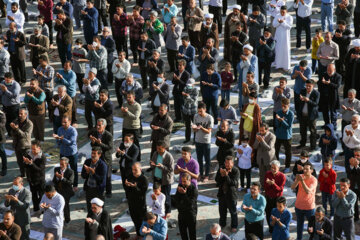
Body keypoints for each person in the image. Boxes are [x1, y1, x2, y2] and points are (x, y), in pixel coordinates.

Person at [291, 162, 318, 240]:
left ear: (311, 170)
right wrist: (297, 181)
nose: (305, 170)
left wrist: (302, 181)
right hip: (299, 206)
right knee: (299, 226)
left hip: (309, 207)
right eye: (304, 168)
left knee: (311, 226)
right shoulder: (300, 176)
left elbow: (308, 191)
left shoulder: (314, 180)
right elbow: (292, 187)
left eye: (307, 169)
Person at [89, 119, 113, 197]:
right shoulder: (95, 133)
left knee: (107, 176)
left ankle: (108, 191)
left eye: (100, 125)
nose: (98, 127)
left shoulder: (108, 135)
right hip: (97, 158)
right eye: (97, 125)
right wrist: (93, 142)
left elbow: (109, 147)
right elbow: (94, 146)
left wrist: (100, 143)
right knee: (97, 173)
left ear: (104, 126)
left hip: (106, 158)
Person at [215, 156, 240, 233]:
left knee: (233, 212)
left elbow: (234, 183)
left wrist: (226, 176)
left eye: (229, 163)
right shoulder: (221, 168)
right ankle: (222, 224)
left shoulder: (235, 171)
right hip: (222, 193)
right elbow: (216, 180)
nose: (227, 165)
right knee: (222, 211)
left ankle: (234, 225)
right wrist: (222, 176)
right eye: (226, 163)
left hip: (231, 194)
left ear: (232, 163)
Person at [54, 116, 78, 190]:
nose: (63, 124)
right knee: (63, 168)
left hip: (71, 153)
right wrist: (58, 140)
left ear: (69, 122)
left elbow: (70, 142)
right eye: (62, 122)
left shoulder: (73, 131)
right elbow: (58, 141)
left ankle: (75, 184)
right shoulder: (60, 129)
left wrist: (61, 138)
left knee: (74, 170)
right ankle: (65, 183)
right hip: (63, 152)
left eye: (65, 122)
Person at [150, 141, 174, 217]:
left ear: (164, 148)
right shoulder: (155, 154)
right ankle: (157, 208)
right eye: (157, 148)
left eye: (160, 149)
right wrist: (152, 164)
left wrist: (162, 167)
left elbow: (171, 169)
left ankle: (168, 210)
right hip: (157, 178)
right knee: (157, 194)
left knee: (166, 196)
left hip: (165, 180)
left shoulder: (168, 156)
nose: (158, 150)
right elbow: (152, 162)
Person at [23, 140, 46, 218]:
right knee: (34, 195)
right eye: (31, 149)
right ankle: (36, 209)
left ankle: (43, 211)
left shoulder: (42, 157)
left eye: (34, 149)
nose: (32, 151)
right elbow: (25, 167)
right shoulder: (28, 154)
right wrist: (26, 162)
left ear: (39, 148)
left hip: (40, 180)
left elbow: (39, 169)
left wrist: (31, 164)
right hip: (31, 179)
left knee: (41, 195)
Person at [81, 147, 107, 212]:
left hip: (98, 190)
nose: (92, 155)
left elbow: (101, 180)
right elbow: (83, 175)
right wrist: (87, 172)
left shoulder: (102, 165)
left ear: (99, 155)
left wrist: (93, 173)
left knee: (98, 209)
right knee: (89, 207)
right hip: (89, 188)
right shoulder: (87, 162)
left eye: (94, 154)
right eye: (92, 153)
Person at [173, 173, 198, 239]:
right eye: (182, 181)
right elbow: (176, 199)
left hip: (190, 214)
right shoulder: (180, 186)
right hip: (181, 214)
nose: (183, 183)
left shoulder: (193, 189)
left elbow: (190, 203)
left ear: (189, 180)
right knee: (183, 233)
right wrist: (179, 193)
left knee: (192, 233)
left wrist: (184, 194)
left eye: (184, 181)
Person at [127, 163, 149, 238]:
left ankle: (143, 235)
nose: (133, 171)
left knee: (141, 221)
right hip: (131, 203)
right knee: (134, 220)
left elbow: (142, 193)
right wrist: (127, 185)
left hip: (140, 204)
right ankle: (138, 233)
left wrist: (135, 187)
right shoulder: (130, 176)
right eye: (132, 169)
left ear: (140, 169)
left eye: (135, 170)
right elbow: (128, 190)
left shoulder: (144, 179)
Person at [193, 102, 214, 182]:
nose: (199, 113)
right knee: (199, 159)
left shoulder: (209, 118)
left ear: (205, 110)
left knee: (207, 159)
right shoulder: (196, 116)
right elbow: (194, 129)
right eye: (198, 111)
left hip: (206, 141)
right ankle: (200, 174)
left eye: (201, 111)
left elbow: (209, 131)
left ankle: (207, 175)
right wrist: (194, 128)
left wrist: (201, 128)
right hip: (198, 140)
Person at [264, 160, 286, 234]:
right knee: (268, 213)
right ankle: (271, 228)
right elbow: (265, 186)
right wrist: (269, 184)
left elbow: (280, 189)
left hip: (277, 199)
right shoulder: (268, 174)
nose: (273, 169)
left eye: (275, 168)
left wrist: (273, 184)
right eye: (272, 167)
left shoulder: (282, 176)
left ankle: (278, 228)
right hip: (269, 198)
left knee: (278, 214)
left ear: (278, 168)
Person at [298, 79, 320, 150]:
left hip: (311, 116)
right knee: (302, 131)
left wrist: (308, 101)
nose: (307, 87)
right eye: (306, 86)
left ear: (313, 86)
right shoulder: (302, 91)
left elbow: (315, 104)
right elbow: (298, 102)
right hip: (303, 115)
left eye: (309, 86)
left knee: (312, 132)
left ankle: (313, 146)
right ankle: (302, 143)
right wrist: (301, 99)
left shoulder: (316, 93)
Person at [120, 91, 142, 161]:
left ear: (134, 97)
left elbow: (135, 117)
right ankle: (124, 156)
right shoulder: (125, 104)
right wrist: (123, 112)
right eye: (127, 97)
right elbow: (122, 115)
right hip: (126, 126)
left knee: (135, 144)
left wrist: (127, 112)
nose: (128, 99)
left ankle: (137, 159)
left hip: (134, 128)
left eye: (130, 97)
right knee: (125, 143)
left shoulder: (137, 106)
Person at [116, 133, 139, 198]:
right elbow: (117, 156)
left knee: (130, 183)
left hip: (130, 169)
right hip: (122, 167)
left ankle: (131, 196)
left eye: (127, 140)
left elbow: (132, 159)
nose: (125, 142)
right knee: (124, 183)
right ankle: (127, 196)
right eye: (124, 140)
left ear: (132, 141)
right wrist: (118, 152)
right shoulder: (122, 145)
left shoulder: (135, 148)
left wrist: (124, 154)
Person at [11, 108, 33, 177]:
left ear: (26, 115)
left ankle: (29, 175)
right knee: (20, 162)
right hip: (17, 145)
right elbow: (11, 133)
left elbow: (25, 135)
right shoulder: (16, 121)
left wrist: (16, 129)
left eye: (21, 114)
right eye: (19, 114)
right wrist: (14, 129)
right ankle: (23, 174)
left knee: (26, 162)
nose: (19, 115)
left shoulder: (29, 124)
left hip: (25, 146)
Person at [52, 157, 74, 225]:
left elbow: (70, 182)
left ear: (67, 164)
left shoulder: (70, 172)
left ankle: (67, 219)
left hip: (66, 191)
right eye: (60, 164)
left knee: (65, 206)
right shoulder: (56, 169)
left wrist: (62, 178)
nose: (61, 166)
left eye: (63, 164)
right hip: (58, 190)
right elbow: (54, 181)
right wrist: (57, 178)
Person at [54, 61, 77, 125]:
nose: (64, 67)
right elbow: (55, 81)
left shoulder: (73, 74)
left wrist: (62, 78)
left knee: (72, 107)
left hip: (70, 93)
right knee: (62, 106)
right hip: (63, 93)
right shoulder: (61, 71)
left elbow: (69, 84)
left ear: (70, 67)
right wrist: (58, 78)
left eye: (66, 66)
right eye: (64, 65)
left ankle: (74, 121)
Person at [274, 98, 294, 173]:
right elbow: (276, 124)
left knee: (288, 152)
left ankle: (287, 166)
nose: (283, 107)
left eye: (285, 106)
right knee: (276, 151)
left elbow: (289, 126)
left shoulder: (291, 114)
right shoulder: (279, 112)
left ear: (288, 105)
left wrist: (282, 121)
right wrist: (279, 121)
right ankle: (276, 165)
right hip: (279, 135)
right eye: (282, 105)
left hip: (287, 136)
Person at [272, 6, 293, 72]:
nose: (282, 13)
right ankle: (278, 65)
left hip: (285, 37)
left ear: (286, 11)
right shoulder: (277, 15)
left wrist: (283, 22)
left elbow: (289, 27)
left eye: (283, 12)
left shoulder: (289, 17)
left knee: (285, 50)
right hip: (278, 36)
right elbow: (274, 25)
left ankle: (286, 66)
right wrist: (279, 22)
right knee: (278, 50)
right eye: (281, 12)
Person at [0, 72, 20, 137]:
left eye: (8, 80)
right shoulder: (2, 83)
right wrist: (3, 91)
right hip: (5, 106)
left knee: (14, 121)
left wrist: (5, 90)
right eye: (5, 79)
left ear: (12, 79)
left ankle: (15, 134)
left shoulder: (16, 85)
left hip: (14, 106)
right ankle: (10, 134)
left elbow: (13, 96)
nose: (6, 81)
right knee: (6, 121)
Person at [182, 78, 198, 143]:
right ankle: (187, 138)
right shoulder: (185, 88)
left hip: (193, 110)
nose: (189, 86)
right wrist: (185, 96)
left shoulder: (195, 90)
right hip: (186, 110)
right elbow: (184, 98)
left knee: (194, 126)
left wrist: (187, 96)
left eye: (190, 85)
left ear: (193, 84)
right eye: (188, 85)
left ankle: (195, 140)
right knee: (187, 126)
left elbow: (193, 101)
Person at [349, 151, 360, 221]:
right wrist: (352, 166)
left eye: (358, 155)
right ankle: (356, 217)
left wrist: (357, 166)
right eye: (355, 155)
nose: (356, 157)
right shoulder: (350, 162)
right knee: (355, 203)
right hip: (353, 187)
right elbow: (348, 172)